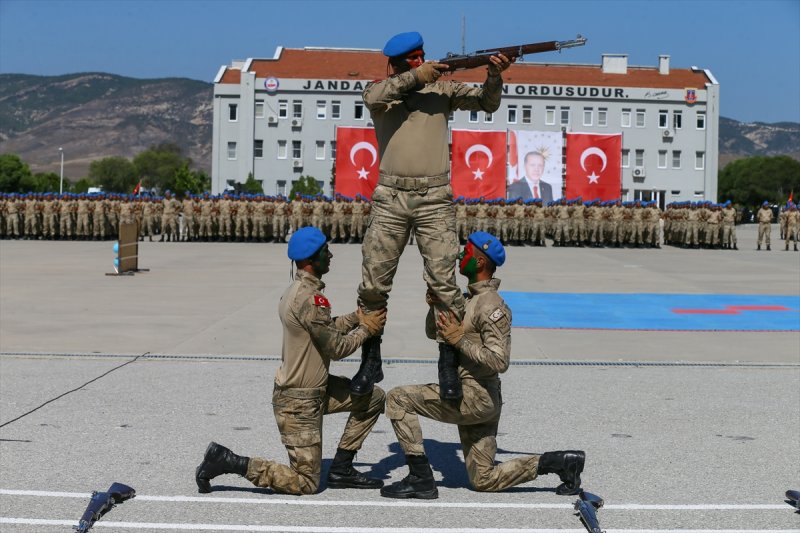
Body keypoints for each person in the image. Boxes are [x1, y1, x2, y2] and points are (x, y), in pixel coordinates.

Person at [351, 30, 512, 400]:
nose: (420, 62)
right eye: (413, 59)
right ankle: (370, 357)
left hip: (434, 197)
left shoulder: (443, 91)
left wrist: (494, 74)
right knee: (374, 282)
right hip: (391, 196)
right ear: (398, 62)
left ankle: (447, 363)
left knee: (444, 283)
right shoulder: (381, 92)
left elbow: (487, 104)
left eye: (422, 57)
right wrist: (418, 77)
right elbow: (375, 94)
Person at [381, 231, 586, 499]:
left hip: (476, 396)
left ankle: (420, 478)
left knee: (398, 399)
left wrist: (459, 340)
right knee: (483, 479)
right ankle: (559, 462)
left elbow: (500, 360)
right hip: (476, 397)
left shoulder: (490, 306)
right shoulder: (468, 300)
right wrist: (435, 307)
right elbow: (435, 333)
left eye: (465, 253)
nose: (459, 257)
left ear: (479, 262)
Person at [195, 227, 388, 495]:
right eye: (325, 251)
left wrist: (357, 318)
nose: (330, 255)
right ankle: (228, 461)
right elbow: (336, 347)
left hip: (316, 392)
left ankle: (342, 468)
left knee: (373, 398)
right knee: (305, 483)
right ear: (311, 258)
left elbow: (325, 328)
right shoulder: (309, 298)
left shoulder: (299, 291)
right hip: (299, 402)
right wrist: (367, 329)